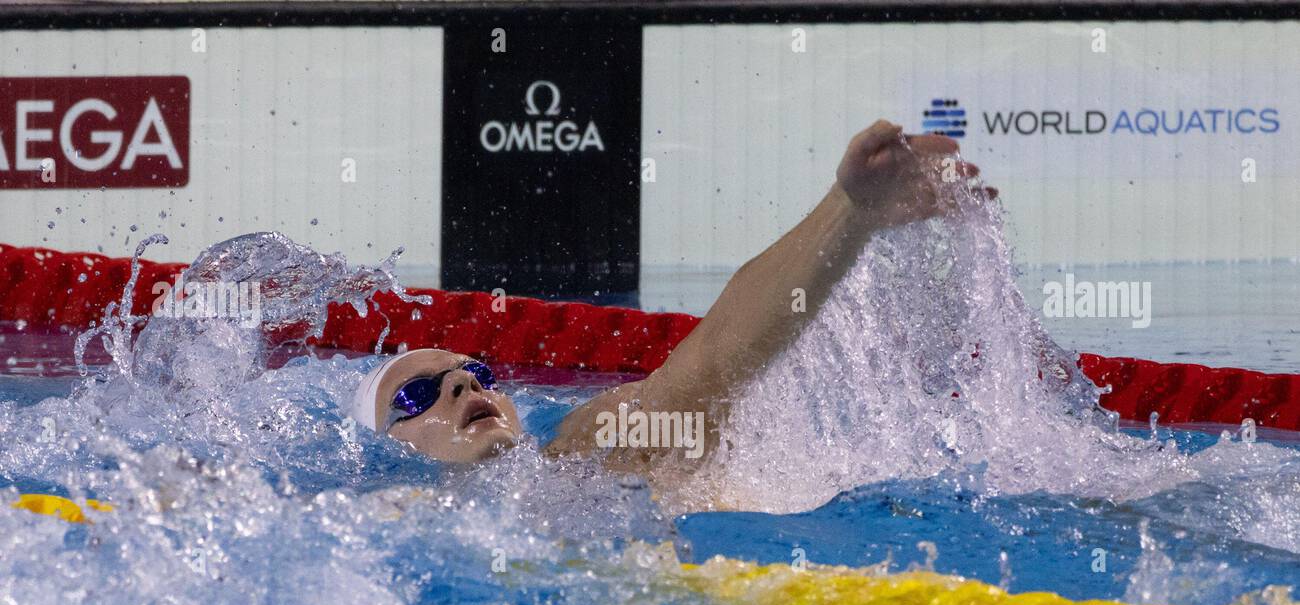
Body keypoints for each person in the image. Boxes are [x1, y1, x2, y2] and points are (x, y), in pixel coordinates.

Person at [350, 120, 994, 477]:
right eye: (417, 395)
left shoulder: (577, 453)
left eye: (476, 372)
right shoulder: (383, 518)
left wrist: (848, 213)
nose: (462, 386)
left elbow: (709, 365)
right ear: (385, 448)